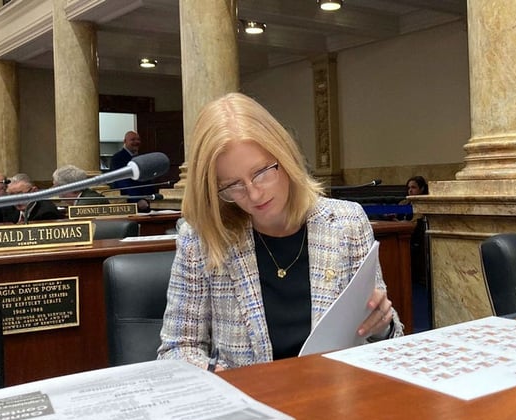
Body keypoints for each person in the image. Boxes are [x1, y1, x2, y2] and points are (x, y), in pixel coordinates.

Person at [157, 92, 403, 371]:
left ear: (284, 157)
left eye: (262, 171)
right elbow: (177, 349)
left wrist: (382, 327)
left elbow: (386, 339)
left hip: (336, 397)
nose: (253, 193)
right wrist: (222, 378)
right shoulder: (200, 238)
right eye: (232, 185)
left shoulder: (347, 223)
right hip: (250, 404)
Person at [109, 130, 156, 212]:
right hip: (128, 202)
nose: (136, 142)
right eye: (133, 140)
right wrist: (137, 199)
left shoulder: (141, 158)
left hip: (146, 202)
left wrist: (149, 198)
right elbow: (122, 180)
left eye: (138, 139)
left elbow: (147, 179)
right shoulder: (117, 158)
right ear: (125, 141)